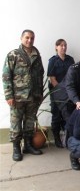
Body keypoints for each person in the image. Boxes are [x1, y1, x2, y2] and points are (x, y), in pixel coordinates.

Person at [2, 29, 44, 161]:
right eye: (27, 37)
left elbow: (40, 75)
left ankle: (28, 145)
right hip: (18, 96)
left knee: (29, 122)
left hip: (33, 96)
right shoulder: (13, 55)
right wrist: (9, 95)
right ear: (21, 38)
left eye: (32, 38)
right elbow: (6, 76)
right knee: (16, 122)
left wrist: (40, 93)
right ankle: (16, 148)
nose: (29, 40)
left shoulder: (37, 56)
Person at [53, 48, 80, 125]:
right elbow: (70, 87)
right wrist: (77, 101)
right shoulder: (73, 69)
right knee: (69, 122)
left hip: (79, 97)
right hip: (64, 97)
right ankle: (59, 136)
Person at [47, 39, 75, 148]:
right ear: (56, 47)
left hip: (69, 93)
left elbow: (73, 75)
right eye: (61, 45)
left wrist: (69, 92)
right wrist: (61, 92)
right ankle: (57, 138)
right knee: (56, 115)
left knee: (68, 114)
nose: (63, 47)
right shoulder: (53, 61)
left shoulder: (70, 59)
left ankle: (67, 137)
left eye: (65, 45)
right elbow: (52, 78)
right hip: (57, 92)